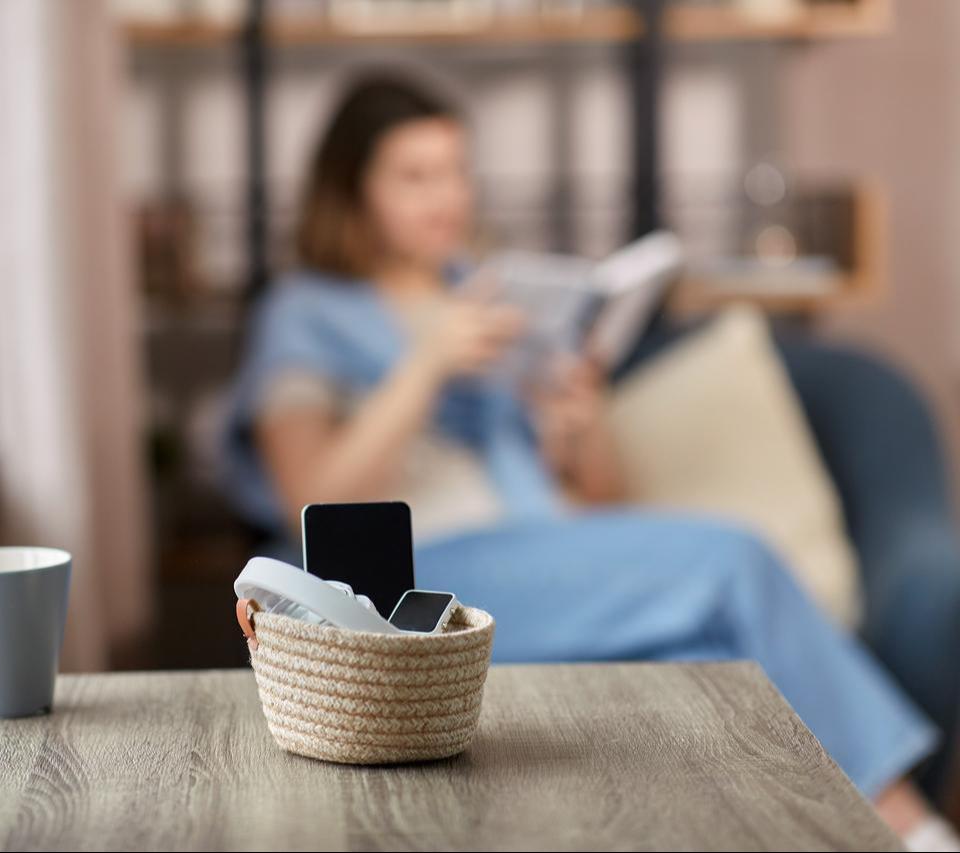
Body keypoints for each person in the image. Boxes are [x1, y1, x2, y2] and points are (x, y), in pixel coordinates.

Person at [217, 73, 958, 848]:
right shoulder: (303, 313)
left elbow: (604, 504)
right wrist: (425, 367)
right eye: (416, 176)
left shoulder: (494, 297)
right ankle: (909, 824)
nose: (448, 198)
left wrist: (578, 421)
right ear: (352, 191)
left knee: (712, 666)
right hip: (419, 586)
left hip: (544, 558)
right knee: (733, 556)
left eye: (458, 171)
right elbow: (308, 498)